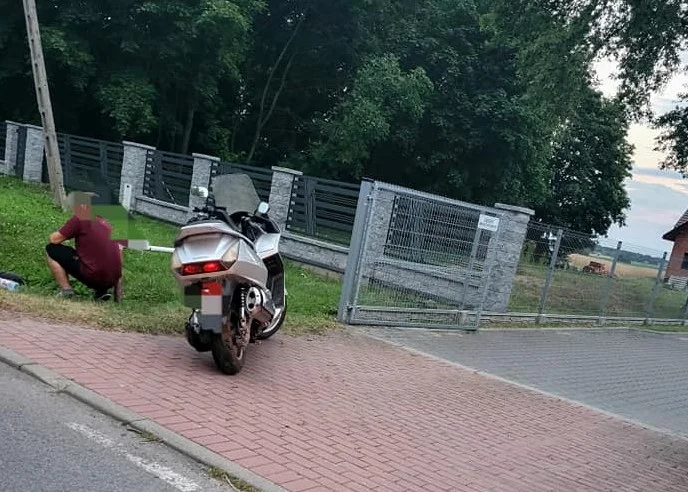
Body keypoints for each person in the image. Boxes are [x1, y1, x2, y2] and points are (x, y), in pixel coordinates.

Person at [45, 191, 123, 301]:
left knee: (51, 249)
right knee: (96, 260)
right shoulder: (106, 224)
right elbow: (119, 258)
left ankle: (66, 291)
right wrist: (118, 299)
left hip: (92, 275)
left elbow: (54, 239)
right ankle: (101, 293)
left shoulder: (81, 218)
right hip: (111, 279)